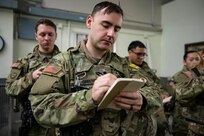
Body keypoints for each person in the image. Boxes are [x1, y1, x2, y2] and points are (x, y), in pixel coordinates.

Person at [29, 1, 162, 136]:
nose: (111, 34)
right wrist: (88, 98)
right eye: (105, 25)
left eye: (116, 29)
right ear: (89, 22)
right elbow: (39, 106)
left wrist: (142, 99)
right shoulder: (63, 63)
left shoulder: (124, 65)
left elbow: (156, 91)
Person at [5, 18, 60, 136]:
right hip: (33, 124)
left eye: (50, 34)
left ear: (56, 36)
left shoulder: (65, 61)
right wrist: (31, 77)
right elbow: (9, 89)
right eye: (42, 34)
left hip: (59, 122)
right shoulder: (24, 62)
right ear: (36, 36)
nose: (46, 38)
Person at [126, 40, 169, 136]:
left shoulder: (145, 67)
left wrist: (163, 93)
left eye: (143, 54)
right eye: (138, 54)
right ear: (130, 52)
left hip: (155, 107)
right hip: (138, 109)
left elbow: (157, 83)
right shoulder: (124, 67)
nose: (141, 57)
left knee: (160, 128)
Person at [172, 50, 201, 136]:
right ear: (185, 62)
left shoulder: (200, 75)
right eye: (191, 59)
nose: (195, 62)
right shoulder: (179, 76)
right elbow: (184, 95)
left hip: (199, 120)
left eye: (197, 59)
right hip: (183, 120)